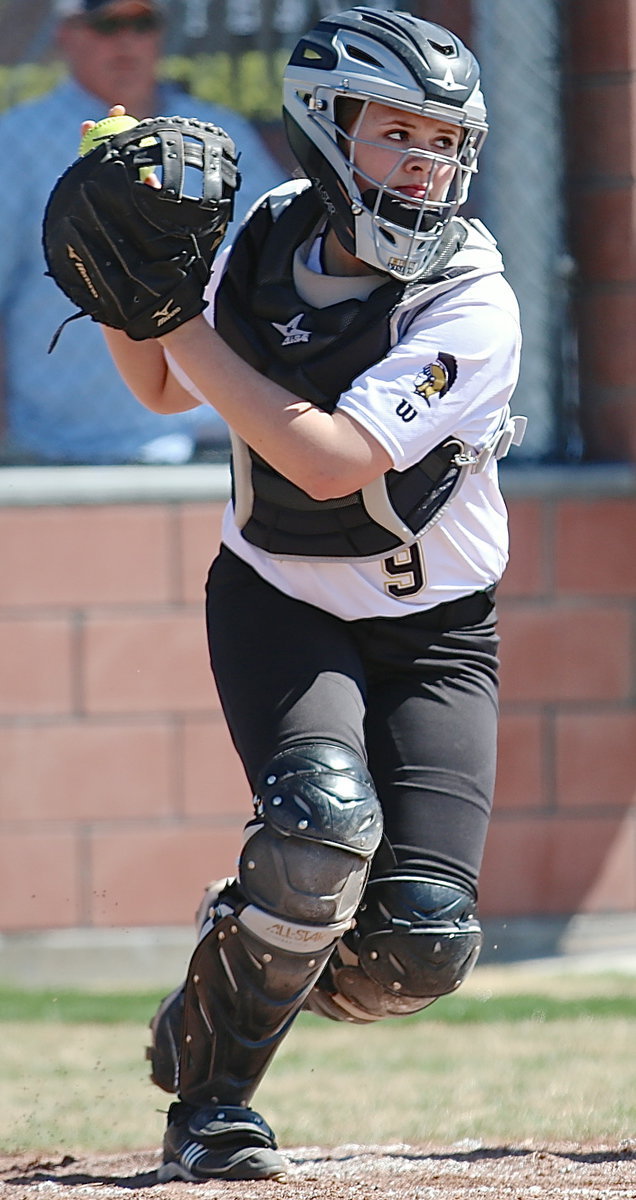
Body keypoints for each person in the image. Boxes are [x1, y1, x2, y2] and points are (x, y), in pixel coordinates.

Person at [95, 6, 526, 1181]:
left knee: (420, 945)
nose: (428, 163)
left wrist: (181, 318)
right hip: (281, 601)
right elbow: (160, 391)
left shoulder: (472, 298)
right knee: (320, 830)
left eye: (446, 142)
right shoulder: (268, 231)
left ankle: (236, 971)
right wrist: (133, 288)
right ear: (327, 129)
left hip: (437, 636)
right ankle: (215, 1106)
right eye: (398, 134)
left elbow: (330, 459)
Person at [0, 0, 284, 464]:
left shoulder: (216, 132)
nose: (127, 41)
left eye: (141, 23)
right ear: (66, 34)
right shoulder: (13, 140)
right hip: (64, 447)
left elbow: (275, 260)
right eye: (107, 25)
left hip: (214, 430)